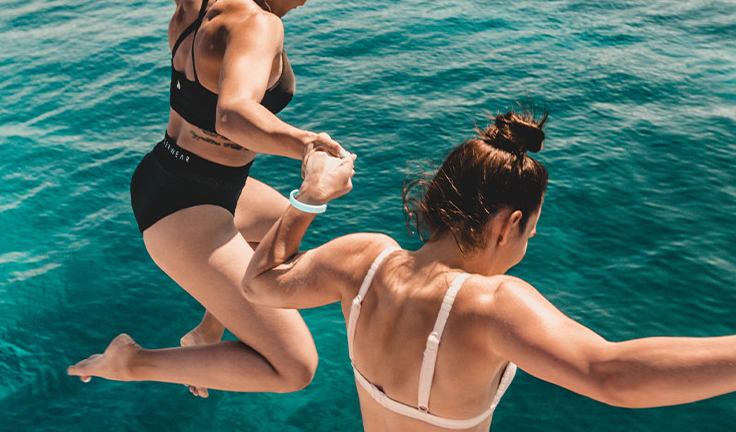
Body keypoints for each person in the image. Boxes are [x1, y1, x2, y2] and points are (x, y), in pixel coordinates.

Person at [242, 110, 736, 431]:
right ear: (509, 224)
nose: (529, 243)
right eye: (530, 231)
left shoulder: (363, 259)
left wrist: (310, 198)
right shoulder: (489, 305)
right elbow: (610, 375)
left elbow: (259, 283)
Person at [68, 0, 346, 396]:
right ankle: (133, 361)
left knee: (281, 238)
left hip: (178, 175)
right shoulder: (262, 25)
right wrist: (308, 145)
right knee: (295, 368)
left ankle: (207, 331)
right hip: (184, 209)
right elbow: (234, 115)